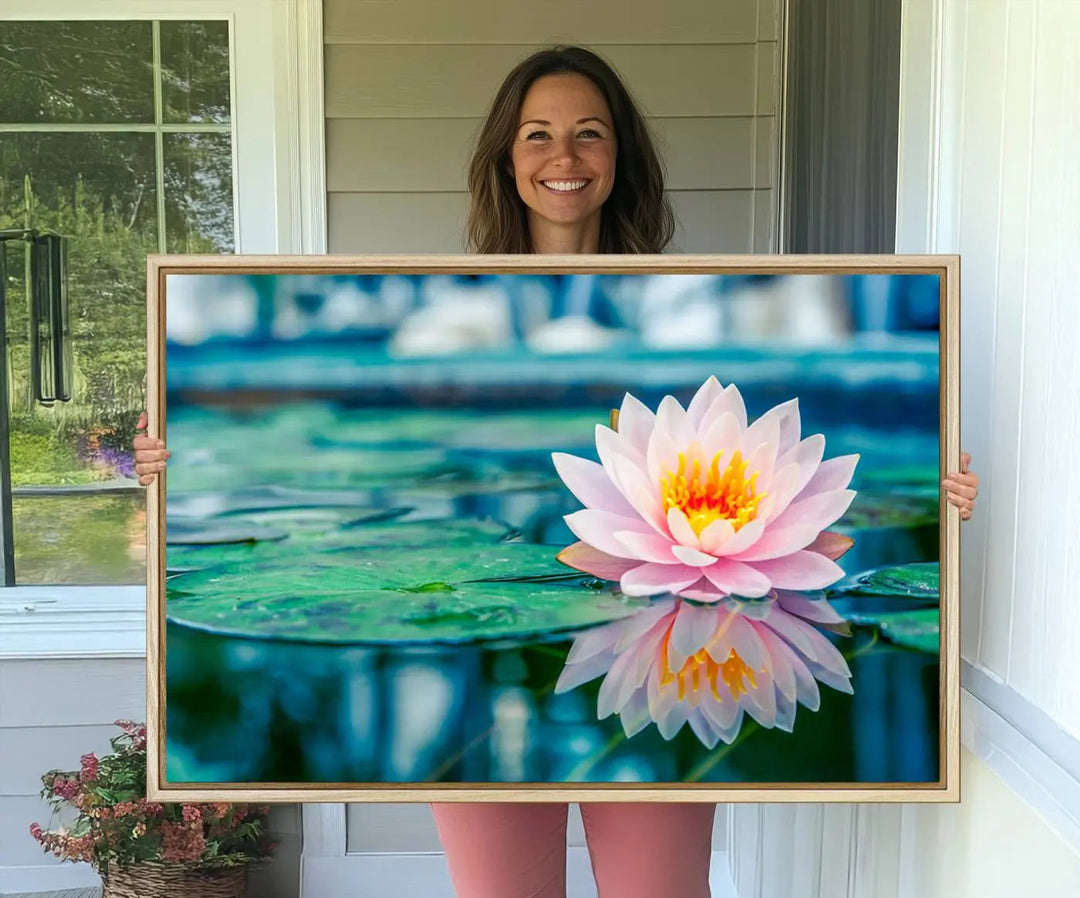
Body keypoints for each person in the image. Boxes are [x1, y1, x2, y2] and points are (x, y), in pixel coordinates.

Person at [134, 45, 980, 898]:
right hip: (492, 616)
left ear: (620, 159)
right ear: (507, 157)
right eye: (537, 135)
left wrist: (944, 499)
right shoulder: (451, 307)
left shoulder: (690, 310)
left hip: (674, 630)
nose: (563, 157)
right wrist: (163, 466)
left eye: (589, 134)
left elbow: (789, 458)